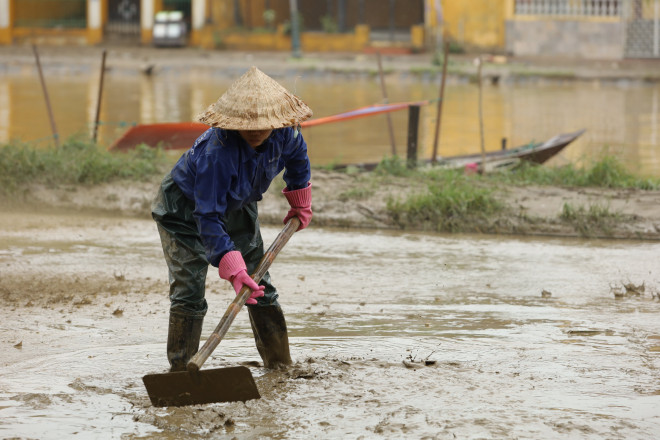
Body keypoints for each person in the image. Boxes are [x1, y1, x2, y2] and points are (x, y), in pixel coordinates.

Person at [151, 66, 313, 371]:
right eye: (246, 124)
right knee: (189, 288)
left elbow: (298, 162)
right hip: (183, 210)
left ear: (277, 121)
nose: (255, 130)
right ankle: (180, 372)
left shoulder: (287, 134)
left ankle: (279, 364)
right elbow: (208, 215)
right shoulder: (218, 153)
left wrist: (300, 202)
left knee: (258, 283)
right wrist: (229, 262)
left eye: (262, 124)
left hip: (237, 204)